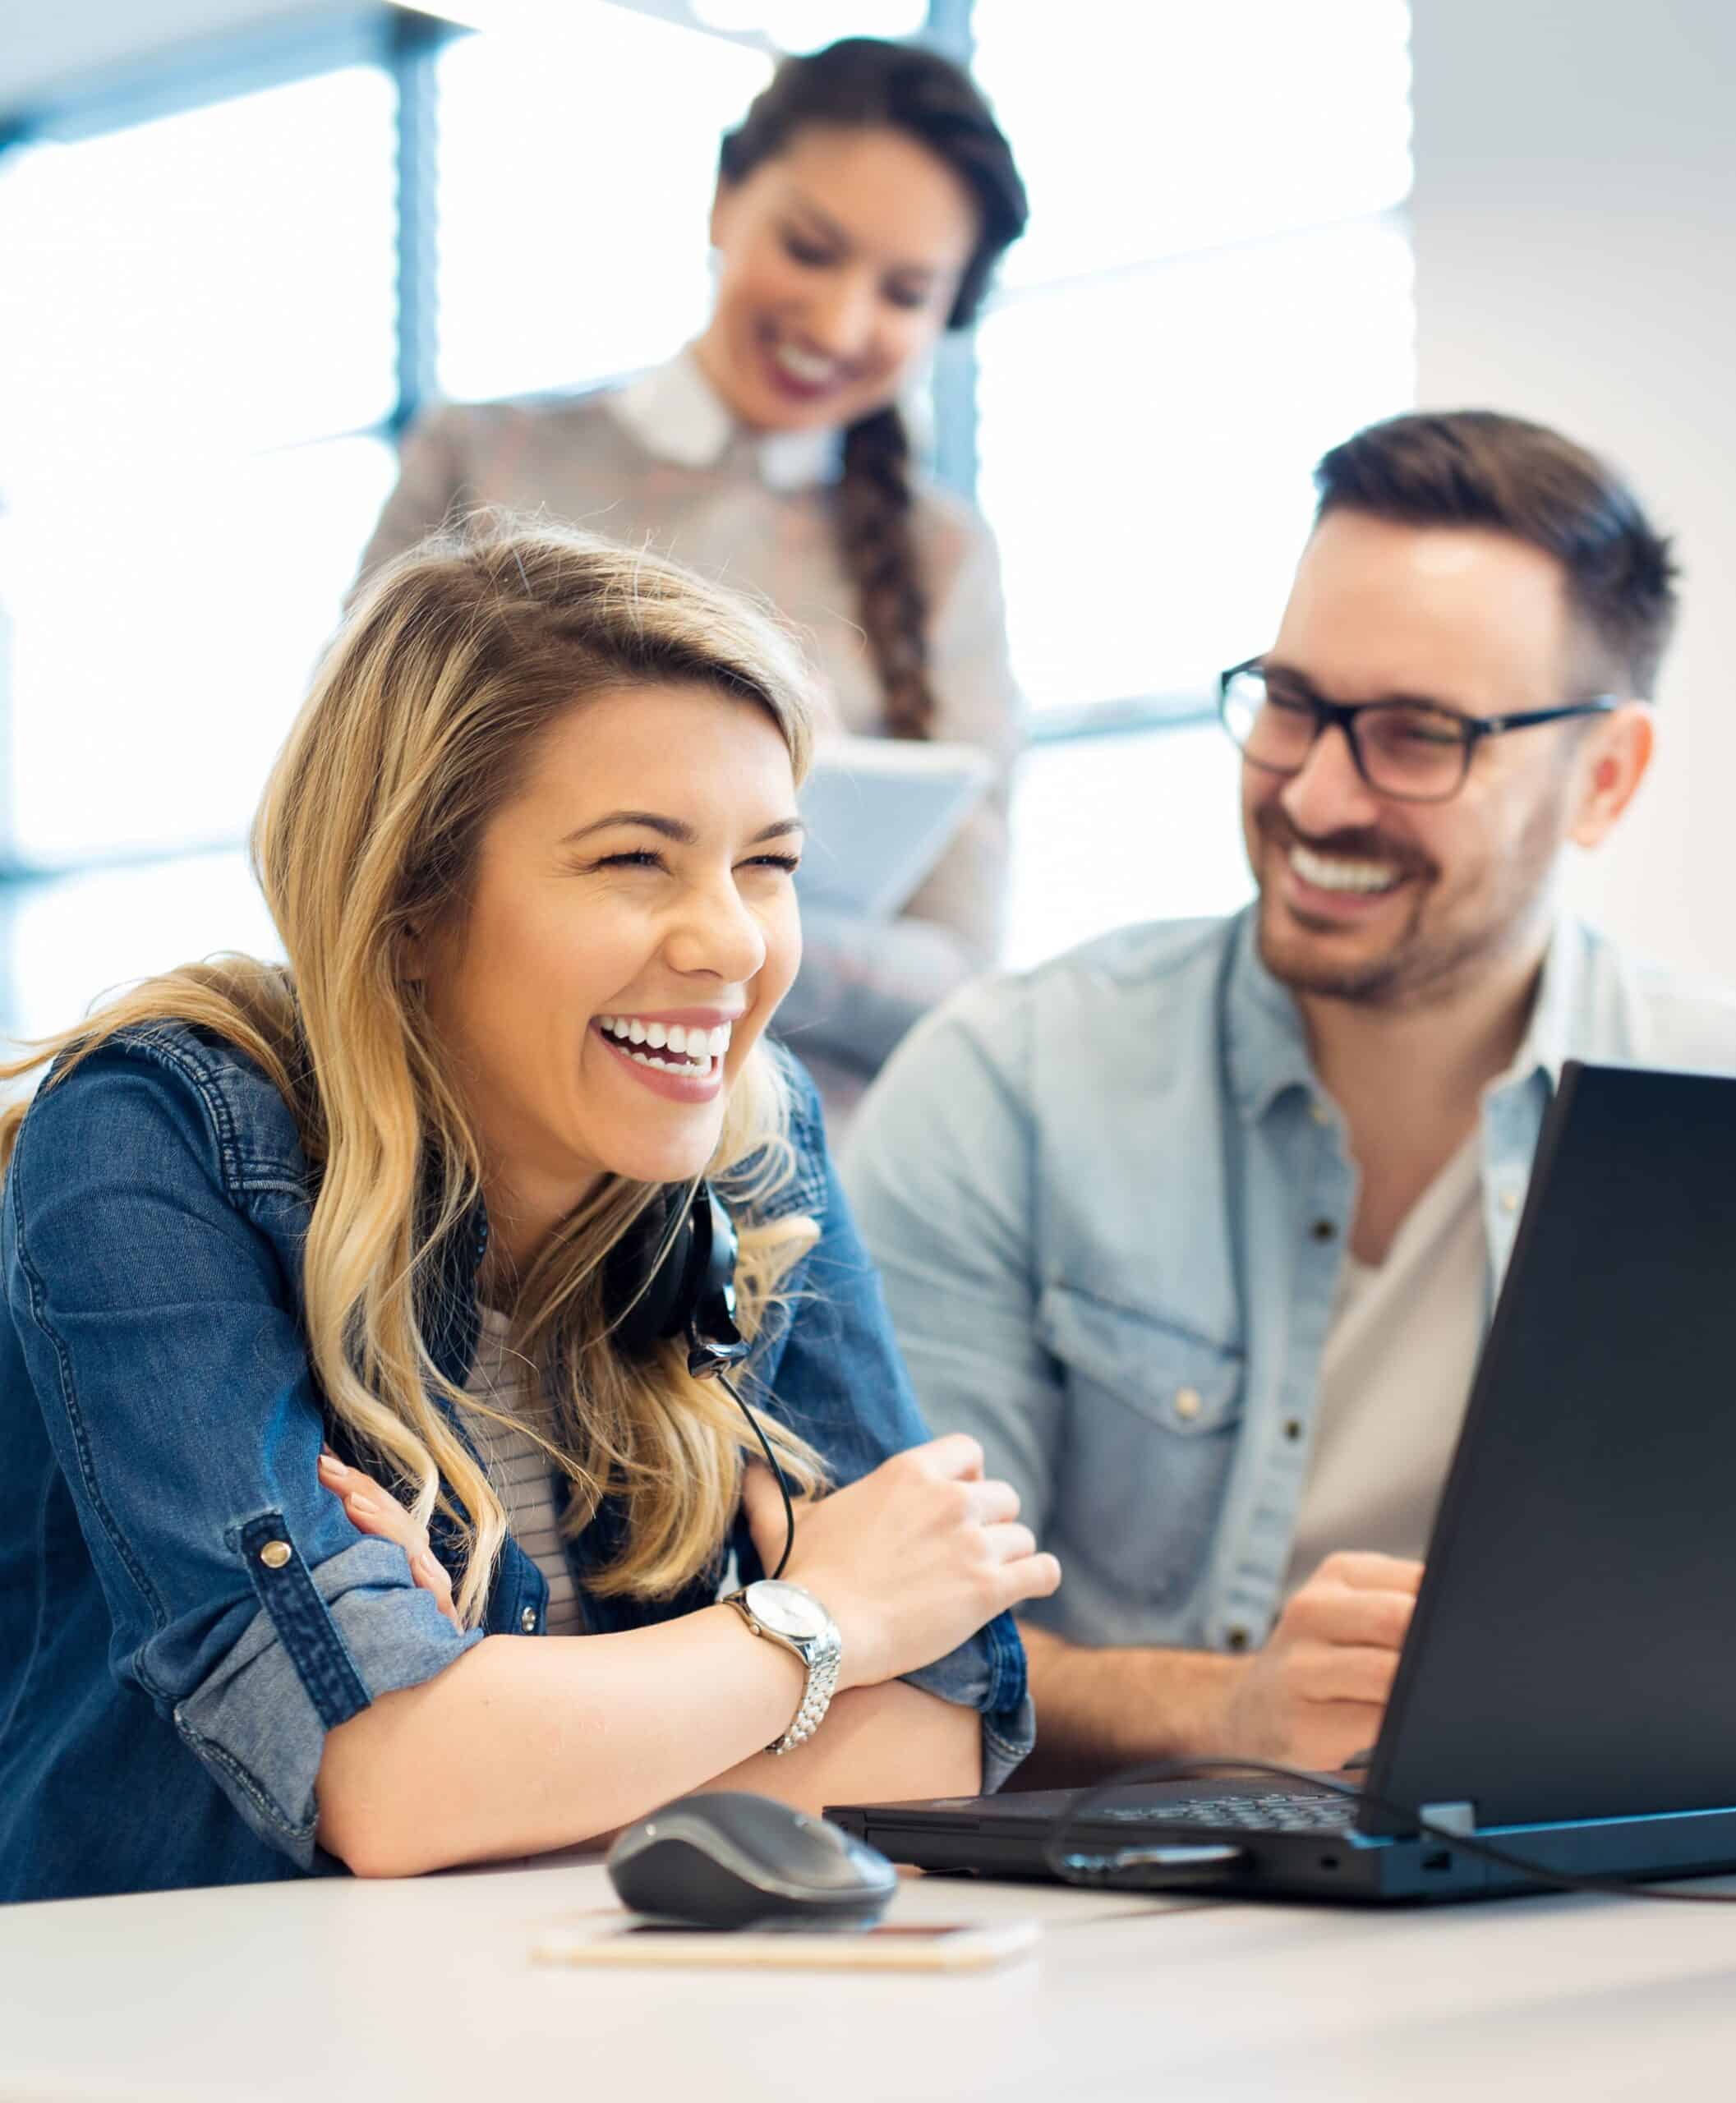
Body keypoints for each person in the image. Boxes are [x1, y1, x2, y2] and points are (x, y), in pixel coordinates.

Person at [0, 521, 1057, 1905]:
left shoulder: (753, 1140)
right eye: (636, 861)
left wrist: (500, 1735)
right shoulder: (156, 1138)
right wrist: (821, 1621)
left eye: (767, 864)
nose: (733, 942)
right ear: (411, 904)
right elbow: (386, 1785)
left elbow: (931, 1740)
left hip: (570, 2009)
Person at [841, 409, 1736, 1786]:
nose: (1314, 791)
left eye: (1417, 736)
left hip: (1594, 1908)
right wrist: (1229, 1710)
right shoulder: (1006, 1084)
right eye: (1292, 704)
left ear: (1602, 778)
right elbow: (892, 1643)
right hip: (1122, 1936)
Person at [359, 37, 1029, 1119]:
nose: (840, 322)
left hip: (793, 1176)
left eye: (904, 293)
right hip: (473, 1129)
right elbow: (345, 828)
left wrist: (701, 916)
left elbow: (958, 972)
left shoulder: (943, 560)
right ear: (724, 200)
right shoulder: (485, 463)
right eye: (811, 249)